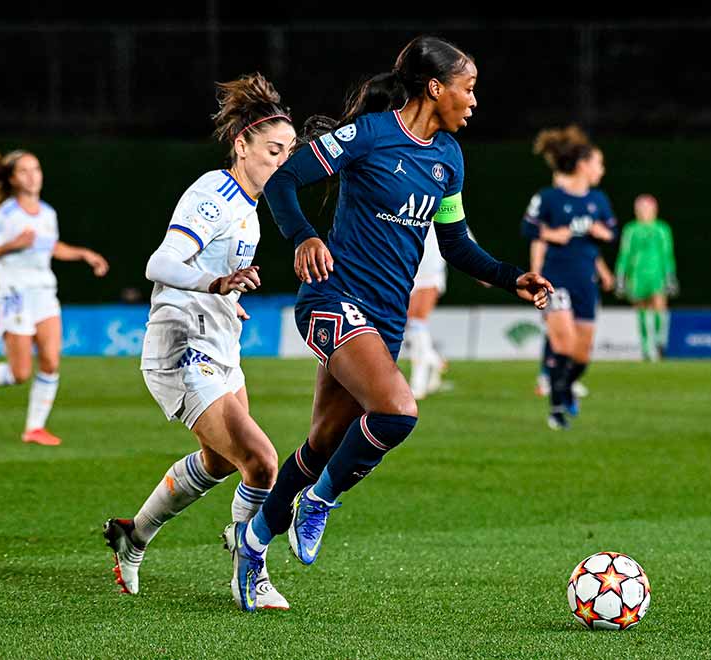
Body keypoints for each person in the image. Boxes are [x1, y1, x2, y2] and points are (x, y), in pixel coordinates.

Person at [226, 35, 553, 612]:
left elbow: (453, 244)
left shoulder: (448, 158)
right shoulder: (371, 135)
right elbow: (281, 180)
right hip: (332, 299)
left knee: (323, 444)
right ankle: (321, 501)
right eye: (468, 89)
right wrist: (303, 235)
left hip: (383, 320)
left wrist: (511, 276)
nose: (474, 101)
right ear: (435, 87)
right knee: (399, 410)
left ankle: (251, 545)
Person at [101, 73, 298, 610]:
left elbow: (212, 270)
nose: (282, 162)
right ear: (242, 146)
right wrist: (213, 284)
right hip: (182, 347)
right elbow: (160, 263)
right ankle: (248, 574)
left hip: (220, 343)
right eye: (273, 151)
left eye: (289, 153)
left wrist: (228, 297)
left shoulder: (249, 209)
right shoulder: (215, 195)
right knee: (261, 461)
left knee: (218, 462)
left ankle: (132, 534)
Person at [0, 149, 108, 446]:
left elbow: (51, 247)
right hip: (15, 294)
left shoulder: (48, 213)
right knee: (19, 372)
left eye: (36, 169)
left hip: (44, 292)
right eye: (24, 171)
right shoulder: (5, 215)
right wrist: (13, 244)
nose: (32, 176)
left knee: (50, 361)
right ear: (12, 178)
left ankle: (34, 428)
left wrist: (84, 254)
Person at [521, 126, 616, 429]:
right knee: (563, 344)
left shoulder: (598, 200)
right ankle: (557, 406)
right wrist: (551, 233)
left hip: (585, 281)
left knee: (581, 355)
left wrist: (601, 233)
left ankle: (565, 388)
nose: (602, 169)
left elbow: (611, 232)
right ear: (583, 165)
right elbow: (528, 228)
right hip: (555, 279)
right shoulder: (549, 197)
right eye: (599, 163)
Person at [616, 194, 678, 361]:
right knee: (641, 310)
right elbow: (625, 254)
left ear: (654, 209)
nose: (644, 212)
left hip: (657, 275)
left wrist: (670, 277)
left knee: (659, 306)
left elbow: (667, 254)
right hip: (636, 276)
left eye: (647, 208)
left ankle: (659, 342)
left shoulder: (662, 229)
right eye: (641, 208)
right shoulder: (631, 229)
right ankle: (645, 348)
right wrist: (620, 277)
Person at [405, 225, 449, 400]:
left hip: (431, 273)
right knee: (409, 324)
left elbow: (462, 234)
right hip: (409, 271)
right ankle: (434, 360)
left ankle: (418, 383)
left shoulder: (442, 205)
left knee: (417, 323)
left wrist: (482, 271)